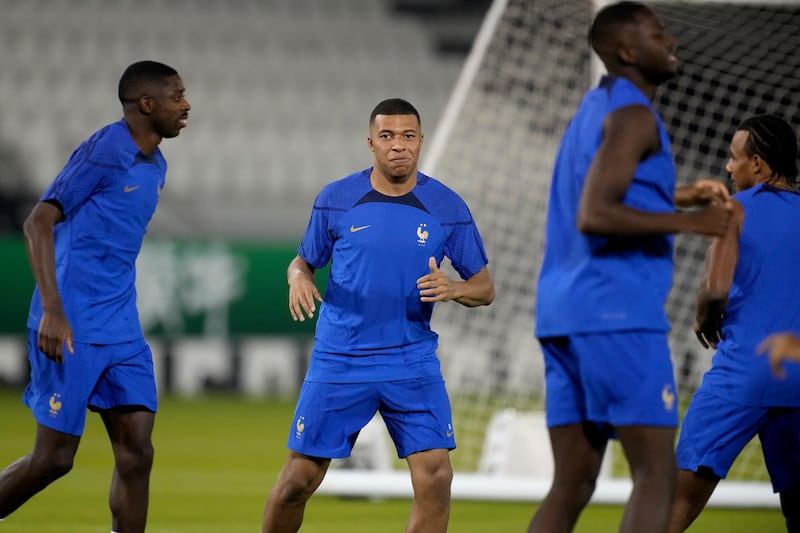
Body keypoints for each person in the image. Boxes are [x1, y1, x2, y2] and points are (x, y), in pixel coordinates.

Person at [531, 3, 734, 532]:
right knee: (656, 476)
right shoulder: (637, 116)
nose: (670, 39)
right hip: (615, 311)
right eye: (655, 33)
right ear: (626, 51)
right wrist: (694, 224)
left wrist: (680, 195)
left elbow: (605, 191)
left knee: (572, 484)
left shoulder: (592, 111)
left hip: (562, 313)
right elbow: (596, 212)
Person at [260, 97, 495, 533]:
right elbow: (302, 261)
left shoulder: (446, 207)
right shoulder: (336, 199)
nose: (398, 146)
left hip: (411, 360)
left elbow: (484, 288)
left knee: (437, 477)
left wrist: (454, 288)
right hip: (342, 358)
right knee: (298, 480)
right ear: (371, 142)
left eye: (408, 136)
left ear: (421, 142)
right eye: (387, 136)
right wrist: (297, 277)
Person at [0, 61, 190, 533]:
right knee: (54, 459)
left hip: (121, 325)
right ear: (147, 105)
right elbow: (37, 221)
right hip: (71, 321)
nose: (186, 105)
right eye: (177, 97)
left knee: (137, 451)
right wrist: (52, 311)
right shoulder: (107, 149)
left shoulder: (156, 164)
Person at [668, 114, 800, 533]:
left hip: (744, 373)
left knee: (674, 506)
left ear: (757, 165)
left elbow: (716, 288)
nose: (728, 167)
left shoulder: (734, 209)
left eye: (733, 157)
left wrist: (703, 318)